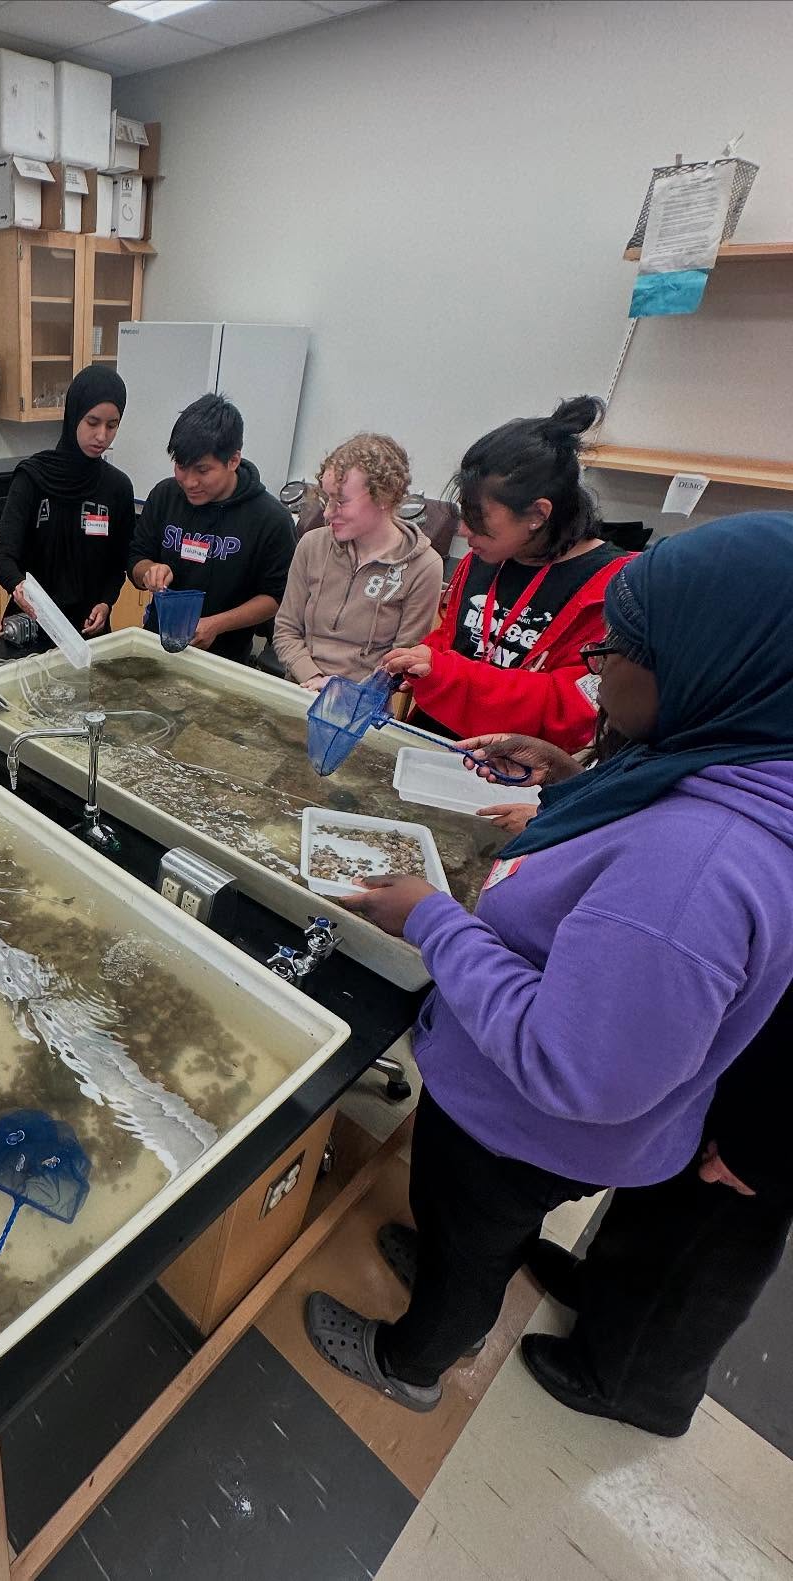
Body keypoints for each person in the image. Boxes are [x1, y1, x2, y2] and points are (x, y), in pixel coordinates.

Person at [302, 513, 793, 1413]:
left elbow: (574, 1065)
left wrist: (435, 921)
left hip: (524, 1122)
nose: (599, 667)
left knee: (478, 1220)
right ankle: (460, 1265)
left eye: (621, 648)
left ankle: (415, 1356)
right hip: (518, 1116)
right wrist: (570, 778)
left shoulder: (697, 871)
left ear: (711, 662)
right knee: (470, 1224)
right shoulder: (730, 758)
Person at [457, 729, 793, 1438]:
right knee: (660, 1186)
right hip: (730, 1033)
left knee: (710, 1231)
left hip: (775, 1090)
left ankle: (639, 1383)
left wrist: (770, 1146)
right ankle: (603, 1290)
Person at [382, 396, 633, 753]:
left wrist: (447, 675)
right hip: (435, 742)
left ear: (537, 514)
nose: (464, 530)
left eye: (478, 518)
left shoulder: (611, 591)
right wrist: (420, 661)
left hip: (513, 766)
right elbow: (457, 643)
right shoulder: (486, 557)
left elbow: (567, 710)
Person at [127, 393, 295, 663]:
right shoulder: (165, 495)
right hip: (156, 646)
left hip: (224, 660)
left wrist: (217, 624)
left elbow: (275, 597)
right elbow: (136, 558)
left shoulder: (270, 519)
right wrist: (149, 571)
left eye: (203, 470)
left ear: (233, 460)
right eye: (181, 467)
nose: (190, 481)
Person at [272, 433, 442, 691]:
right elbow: (285, 629)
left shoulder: (424, 567)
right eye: (327, 499)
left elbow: (401, 663)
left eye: (340, 501)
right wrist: (315, 679)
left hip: (361, 705)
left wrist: (343, 692)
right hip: (300, 687)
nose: (328, 513)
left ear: (384, 498)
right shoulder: (312, 545)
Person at [0, 365, 135, 642]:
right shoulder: (33, 477)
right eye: (92, 423)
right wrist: (18, 587)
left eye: (112, 425)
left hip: (88, 633)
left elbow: (118, 564)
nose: (102, 436)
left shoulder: (117, 488)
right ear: (74, 415)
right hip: (31, 627)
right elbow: (2, 557)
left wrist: (106, 603)